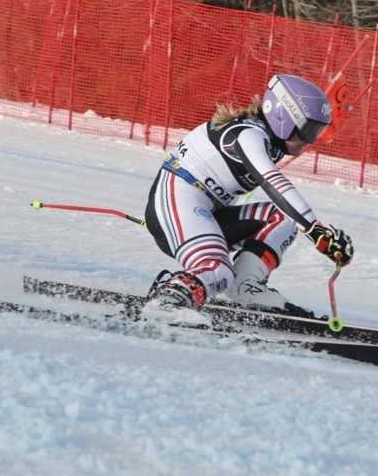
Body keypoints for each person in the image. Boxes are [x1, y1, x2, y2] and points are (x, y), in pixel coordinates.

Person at [142, 73, 354, 317]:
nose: (310, 140)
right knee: (218, 270)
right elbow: (272, 182)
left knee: (282, 219)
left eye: (317, 132)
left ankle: (244, 288)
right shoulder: (247, 134)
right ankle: (169, 299)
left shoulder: (266, 139)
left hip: (203, 211)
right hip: (177, 201)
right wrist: (316, 230)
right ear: (283, 117)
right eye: (308, 130)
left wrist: (312, 228)